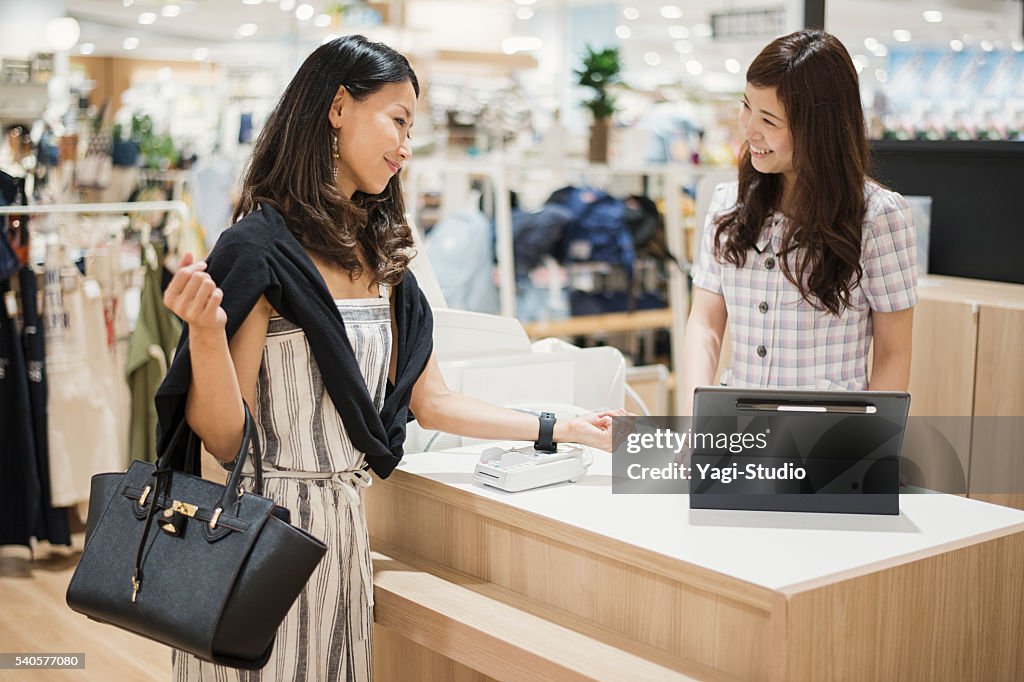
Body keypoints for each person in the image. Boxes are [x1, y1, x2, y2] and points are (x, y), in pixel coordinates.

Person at [156, 35, 622, 681]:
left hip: (344, 533)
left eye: (412, 127)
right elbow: (226, 438)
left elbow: (432, 402)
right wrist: (205, 335)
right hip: (257, 531)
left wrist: (557, 427)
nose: (406, 144)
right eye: (398, 119)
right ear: (339, 106)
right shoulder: (256, 249)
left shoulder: (385, 257)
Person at [680, 30, 917, 414]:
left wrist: (867, 449)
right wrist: (698, 420)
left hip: (828, 445)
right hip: (736, 435)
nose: (749, 128)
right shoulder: (729, 203)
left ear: (818, 129)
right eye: (747, 106)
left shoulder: (879, 216)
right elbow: (705, 324)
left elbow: (894, 353)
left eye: (769, 120)